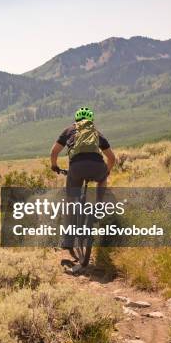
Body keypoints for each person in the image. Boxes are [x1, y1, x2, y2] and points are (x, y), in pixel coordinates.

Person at [49, 106, 116, 260]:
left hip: (76, 168)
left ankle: (68, 240)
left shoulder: (69, 131)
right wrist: (105, 172)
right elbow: (112, 158)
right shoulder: (96, 133)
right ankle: (99, 205)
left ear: (76, 120)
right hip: (97, 166)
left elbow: (54, 152)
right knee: (102, 179)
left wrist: (54, 166)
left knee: (71, 201)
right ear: (91, 120)